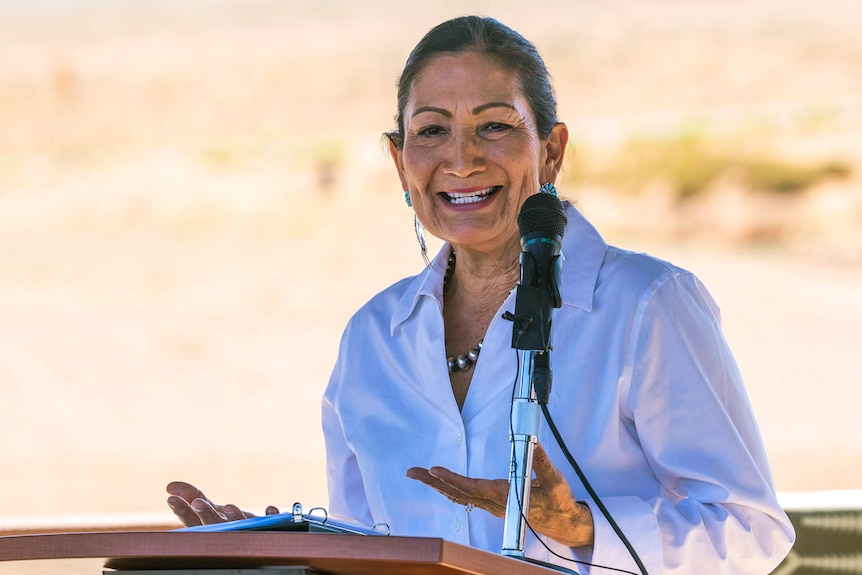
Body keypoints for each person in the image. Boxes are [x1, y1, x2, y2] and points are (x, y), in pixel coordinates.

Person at [168, 15, 795, 574]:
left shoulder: (647, 304)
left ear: (550, 150)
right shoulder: (371, 338)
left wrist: (579, 527)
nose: (462, 159)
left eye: (494, 126)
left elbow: (750, 536)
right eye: (432, 131)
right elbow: (376, 548)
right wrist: (278, 548)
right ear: (399, 160)